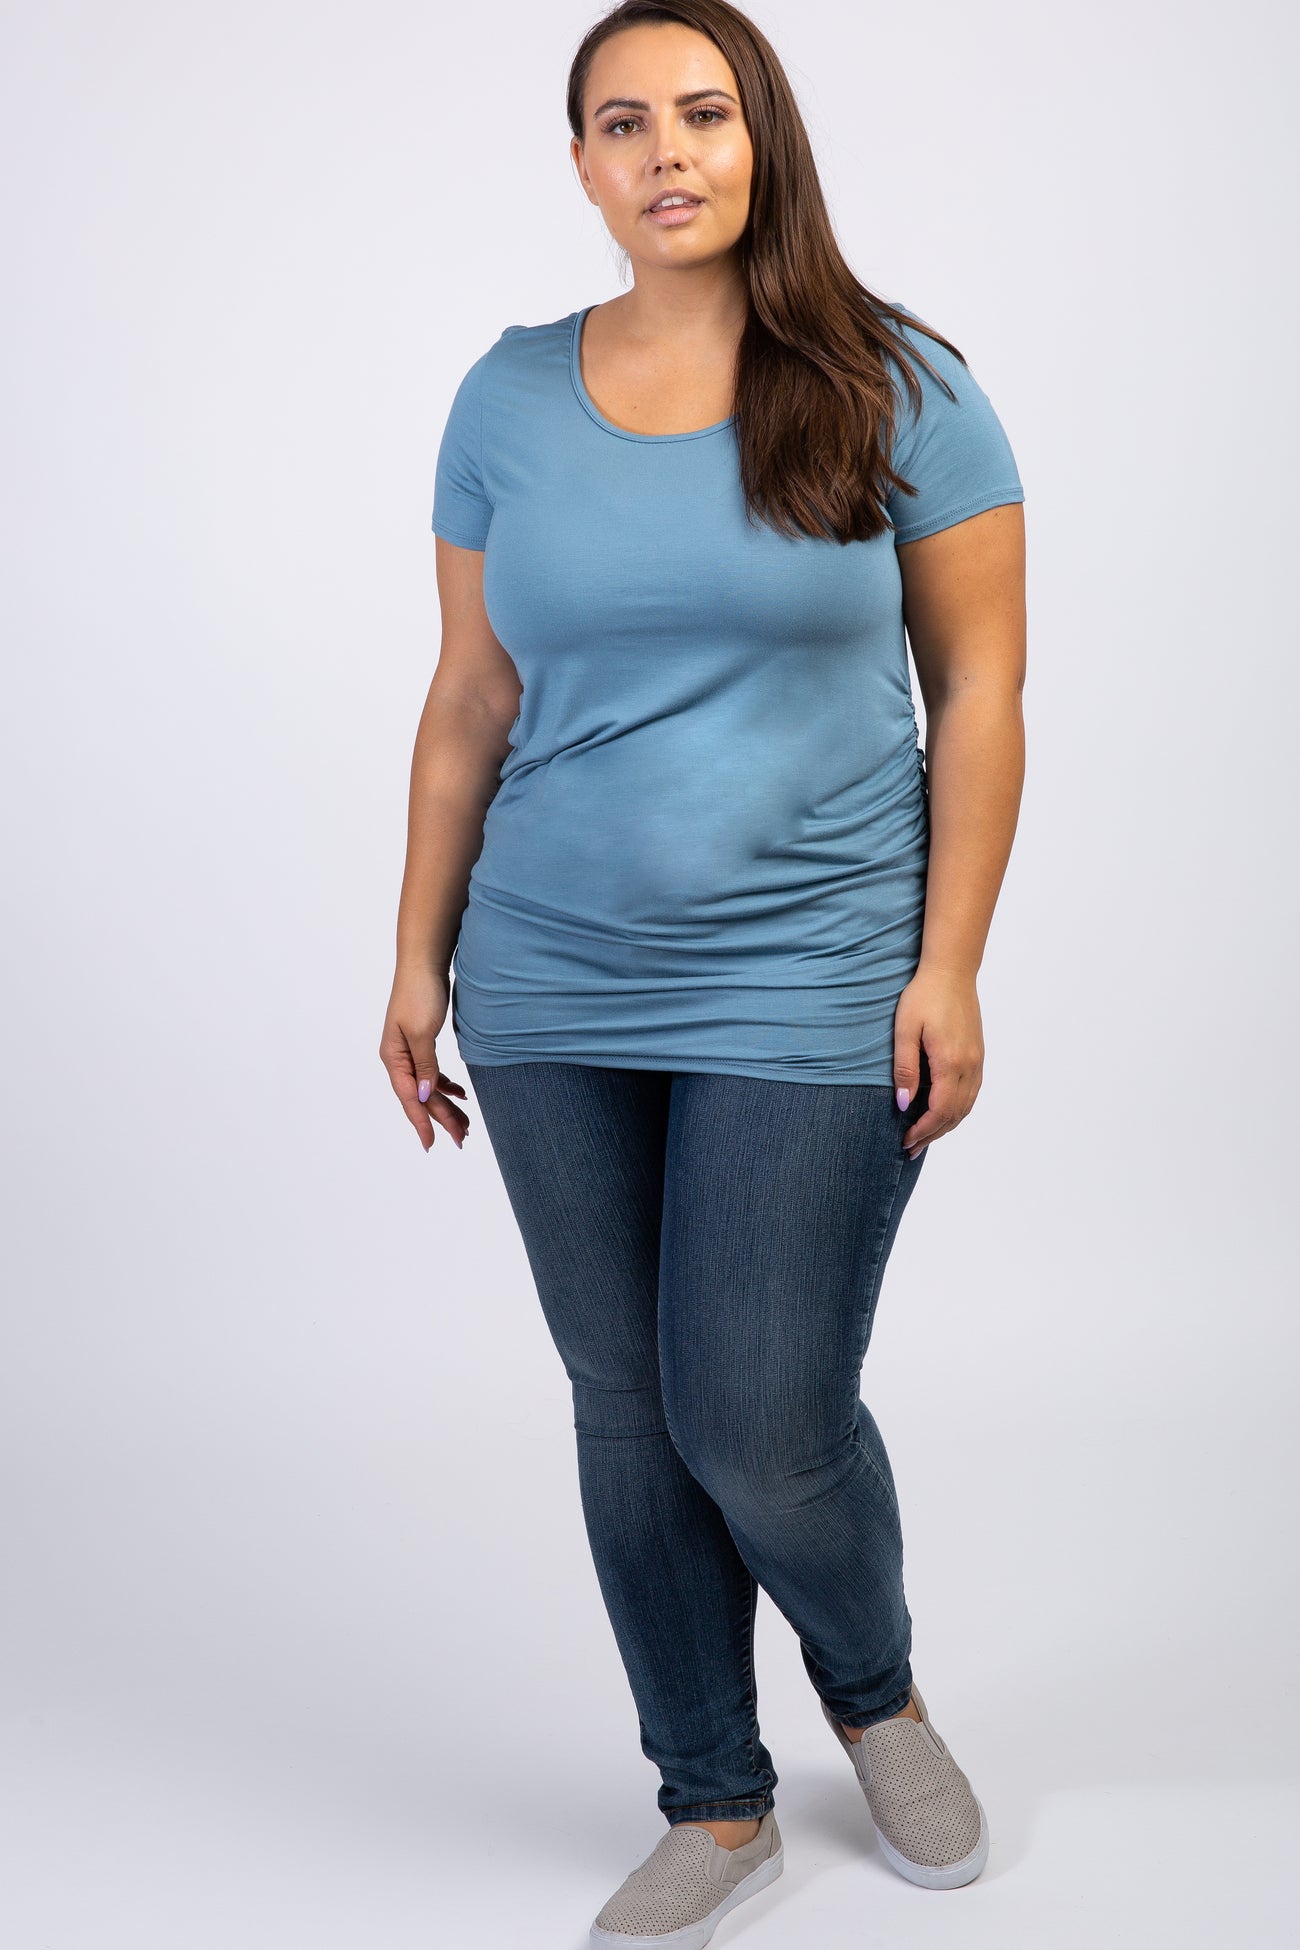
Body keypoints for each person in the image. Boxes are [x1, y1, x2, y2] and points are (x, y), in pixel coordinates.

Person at [380, 2, 1027, 1942]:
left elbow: (980, 691)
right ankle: (715, 1799)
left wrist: (951, 965)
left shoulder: (898, 382)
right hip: (550, 976)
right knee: (625, 1400)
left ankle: (873, 1688)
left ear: (763, 140)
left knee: (754, 1409)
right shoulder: (506, 397)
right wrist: (415, 955)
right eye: (621, 123)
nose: (665, 152)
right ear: (581, 166)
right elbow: (468, 698)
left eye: (702, 113)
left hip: (813, 969)